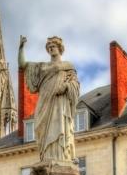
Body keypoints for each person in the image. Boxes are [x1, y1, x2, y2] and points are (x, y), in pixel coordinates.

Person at [18, 36, 80, 165]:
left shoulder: (68, 66)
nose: (51, 49)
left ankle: (61, 156)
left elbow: (75, 86)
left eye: (53, 46)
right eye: (49, 47)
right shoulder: (42, 67)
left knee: (60, 126)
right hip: (45, 101)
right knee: (44, 129)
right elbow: (23, 64)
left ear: (59, 48)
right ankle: (46, 156)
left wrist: (65, 87)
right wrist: (21, 47)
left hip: (60, 102)